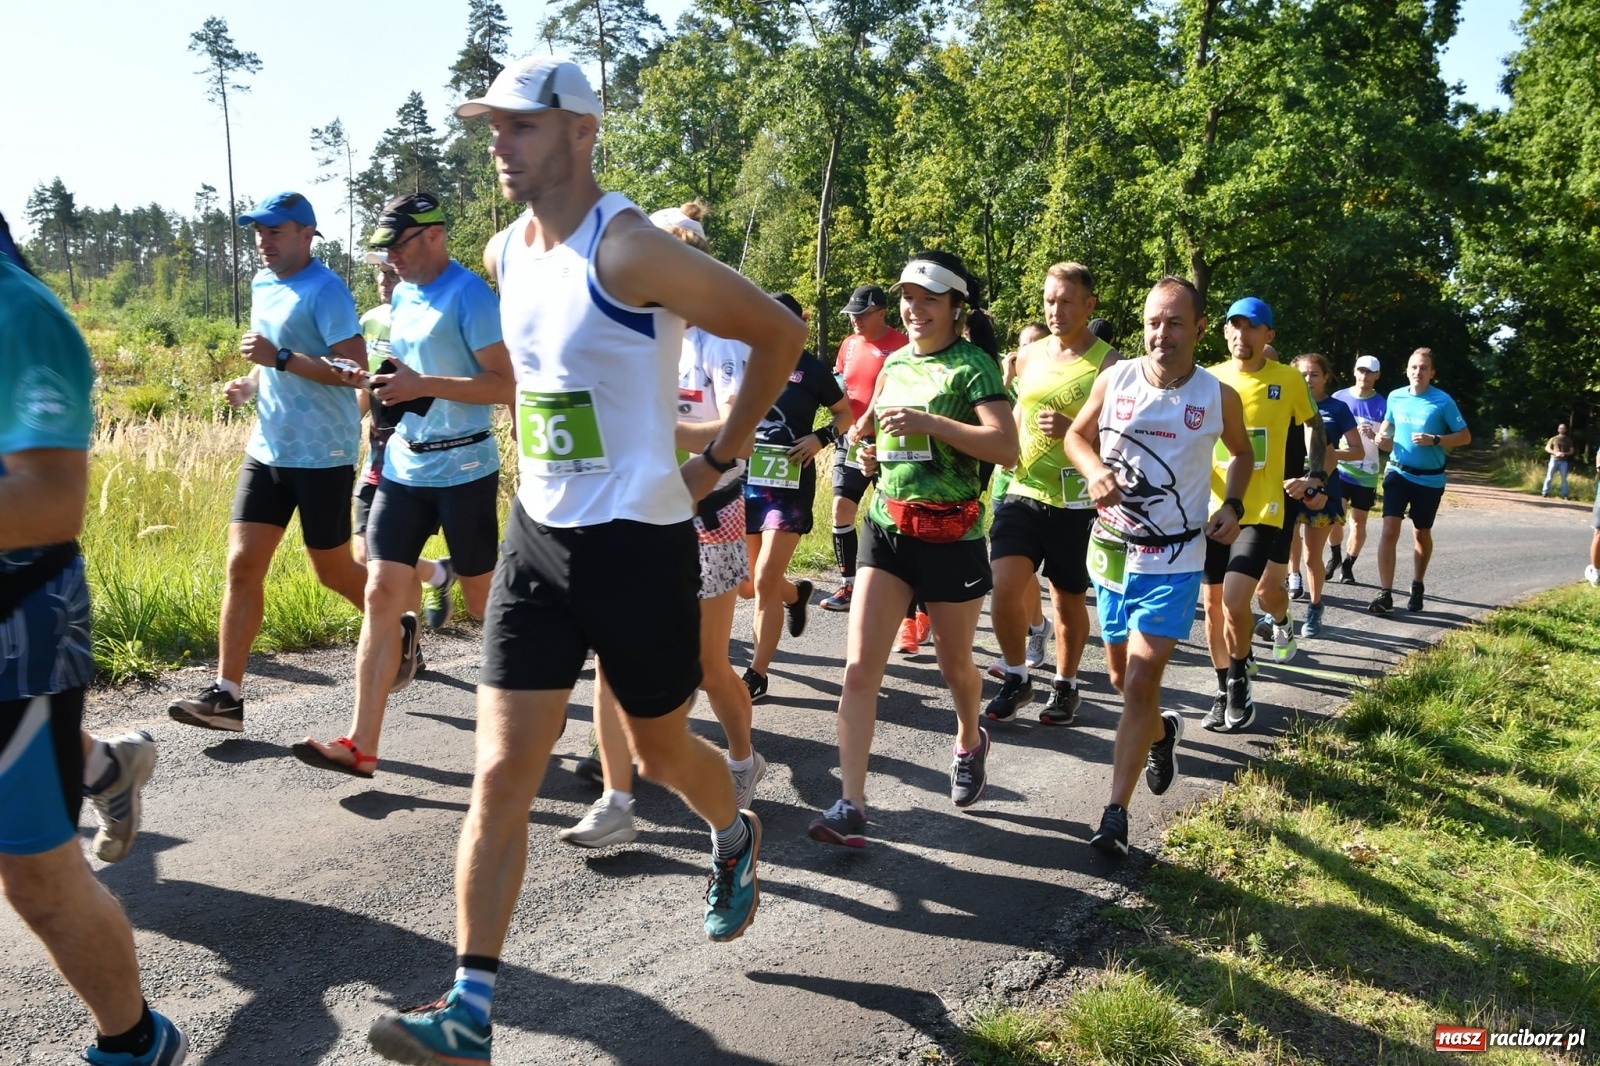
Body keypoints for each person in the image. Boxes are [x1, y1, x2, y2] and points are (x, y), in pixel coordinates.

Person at [366, 58, 806, 1065]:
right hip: (538, 538)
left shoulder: (633, 248)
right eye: (491, 125)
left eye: (517, 124)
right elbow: (538, 379)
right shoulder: (504, 249)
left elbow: (779, 334)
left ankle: (733, 831)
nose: (497, 141)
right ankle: (469, 1009)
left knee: (660, 755)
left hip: (639, 543)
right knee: (498, 774)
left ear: (577, 130)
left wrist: (722, 460)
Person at [0, 234, 188, 1065]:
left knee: (39, 879)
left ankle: (136, 1043)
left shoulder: (22, 314)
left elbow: (51, 500)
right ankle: (107, 769)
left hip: (15, 635)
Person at [559, 203, 767, 847]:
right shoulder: (628, 333)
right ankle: (616, 799)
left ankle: (741, 758)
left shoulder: (717, 337)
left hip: (708, 508)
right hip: (633, 510)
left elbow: (742, 433)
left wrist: (662, 429)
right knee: (609, 658)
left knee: (707, 666)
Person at [293, 194, 512, 777]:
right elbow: (408, 378)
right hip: (405, 466)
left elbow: (503, 384)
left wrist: (421, 385)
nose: (390, 259)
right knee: (380, 595)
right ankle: (360, 745)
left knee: (481, 601)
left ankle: (522, 712)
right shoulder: (405, 294)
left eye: (398, 246)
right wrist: (375, 383)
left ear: (433, 236)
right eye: (385, 249)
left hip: (465, 467)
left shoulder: (470, 295)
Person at [806, 251, 1019, 849]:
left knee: (956, 669)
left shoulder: (974, 367)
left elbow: (1005, 447)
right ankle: (851, 803)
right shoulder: (895, 361)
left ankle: (970, 737)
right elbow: (872, 433)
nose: (914, 308)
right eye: (908, 297)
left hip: (951, 536)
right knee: (859, 668)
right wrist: (870, 455)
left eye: (928, 298)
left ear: (955, 306)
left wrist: (932, 424)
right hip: (889, 527)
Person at [168, 192, 370, 733]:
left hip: (323, 451)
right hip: (269, 446)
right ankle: (227, 696)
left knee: (331, 571)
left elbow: (355, 369)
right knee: (242, 564)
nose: (264, 241)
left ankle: (395, 622)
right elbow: (273, 360)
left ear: (307, 234)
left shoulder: (327, 290)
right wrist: (253, 383)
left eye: (276, 231)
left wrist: (277, 358)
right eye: (259, 231)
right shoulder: (263, 283)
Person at [1063, 276, 1251, 856]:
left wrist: (1234, 505)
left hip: (1175, 557)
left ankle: (1114, 816)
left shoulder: (1217, 396)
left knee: (1142, 679)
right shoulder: (1115, 377)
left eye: (1173, 323)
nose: (1160, 334)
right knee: (1124, 683)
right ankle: (1163, 732)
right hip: (1113, 554)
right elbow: (1076, 435)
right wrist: (1094, 470)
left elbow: (1242, 454)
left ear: (1198, 328)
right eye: (1152, 322)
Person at [985, 263, 1119, 726]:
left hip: (1077, 502)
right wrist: (1007, 450)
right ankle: (1018, 676)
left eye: (1065, 301)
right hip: (1022, 489)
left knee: (1067, 600)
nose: (1056, 310)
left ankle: (1066, 685)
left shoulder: (1110, 364)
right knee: (1003, 586)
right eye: (1049, 300)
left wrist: (1073, 434)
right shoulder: (1029, 355)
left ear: (1088, 305)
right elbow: (1022, 410)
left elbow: (1120, 440)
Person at [1201, 297, 1324, 731]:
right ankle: (1225, 686)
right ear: (1224, 333)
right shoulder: (1208, 378)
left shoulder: (1288, 379)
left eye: (1252, 327)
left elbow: (1313, 422)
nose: (1242, 335)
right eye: (1234, 326)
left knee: (1237, 599)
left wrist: (1313, 473)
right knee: (1214, 609)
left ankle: (1239, 679)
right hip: (1212, 509)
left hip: (1264, 509)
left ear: (1268, 335)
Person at [741, 293, 853, 702]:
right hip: (746, 481)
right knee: (748, 586)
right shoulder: (744, 360)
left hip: (789, 484)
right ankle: (796, 594)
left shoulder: (812, 369)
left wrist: (821, 438)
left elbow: (846, 414)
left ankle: (757, 673)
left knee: (766, 577)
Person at [353, 251, 449, 632]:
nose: (384, 279)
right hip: (376, 455)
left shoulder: (431, 323)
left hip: (418, 457)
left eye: (391, 272)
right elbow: (367, 386)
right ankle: (438, 574)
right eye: (380, 272)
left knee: (394, 558)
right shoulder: (370, 322)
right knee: (364, 553)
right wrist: (348, 425)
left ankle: (409, 647)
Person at [820, 284, 907, 613]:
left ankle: (911, 595)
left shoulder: (902, 345)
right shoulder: (849, 345)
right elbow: (842, 385)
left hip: (891, 443)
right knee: (842, 507)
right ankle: (849, 585)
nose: (855, 320)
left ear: (882, 312)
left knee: (897, 516)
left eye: (862, 314)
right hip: (852, 440)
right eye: (851, 314)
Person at [1369, 348, 1471, 614]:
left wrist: (1436, 440)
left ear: (1432, 373)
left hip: (1429, 479)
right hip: (1397, 471)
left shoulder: (1442, 401)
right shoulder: (1395, 396)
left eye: (1423, 368)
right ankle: (1386, 594)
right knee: (1389, 529)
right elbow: (1387, 428)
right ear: (1407, 370)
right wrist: (1381, 439)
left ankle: (1417, 583)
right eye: (1414, 367)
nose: (1418, 372)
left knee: (1421, 533)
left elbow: (1464, 436)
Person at [1289, 354, 1362, 638]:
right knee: (1283, 548)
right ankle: (1291, 584)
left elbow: (1357, 450)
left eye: (1314, 374)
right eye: (1303, 375)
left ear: (1325, 377)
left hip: (1323, 488)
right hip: (1288, 485)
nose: (1308, 380)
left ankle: (1315, 607)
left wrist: (1326, 455)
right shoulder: (1286, 405)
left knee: (1312, 556)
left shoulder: (1337, 408)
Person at [1327, 354, 1387, 583]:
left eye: (1370, 372)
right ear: (1354, 371)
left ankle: (1349, 564)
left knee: (1359, 521)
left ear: (1377, 376)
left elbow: (1390, 445)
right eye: (1361, 370)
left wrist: (1375, 437)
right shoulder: (1339, 398)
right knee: (1336, 516)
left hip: (1367, 472)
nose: (1365, 375)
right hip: (1340, 467)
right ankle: (1334, 556)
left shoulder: (1383, 405)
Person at [1543, 422, 1575, 499]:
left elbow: (1572, 450)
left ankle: (1564, 494)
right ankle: (1545, 492)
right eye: (1560, 428)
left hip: (1564, 461)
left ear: (1565, 430)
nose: (1562, 429)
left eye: (1563, 428)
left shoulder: (1568, 440)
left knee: (1564, 478)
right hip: (1554, 460)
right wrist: (1555, 453)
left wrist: (1566, 453)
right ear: (1558, 429)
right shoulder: (1553, 439)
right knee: (1549, 476)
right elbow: (1547, 448)